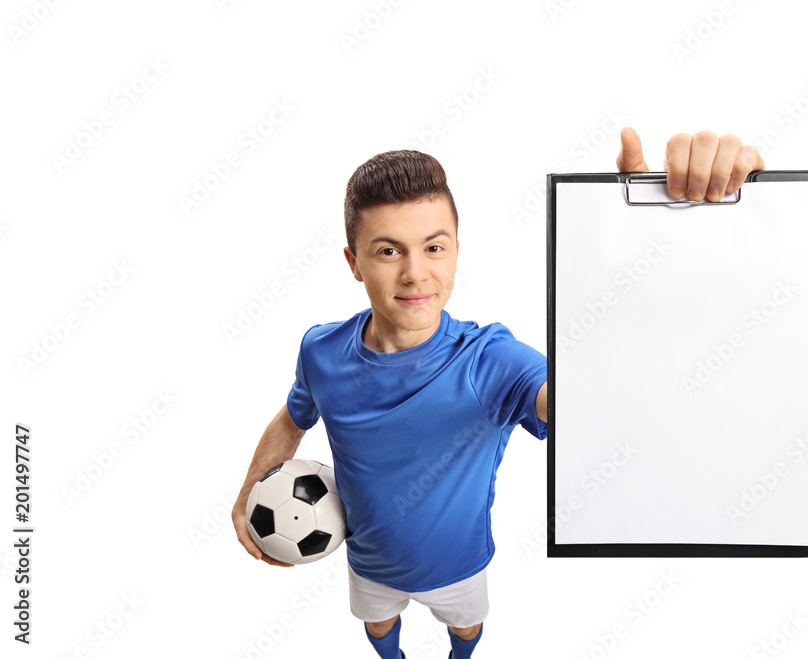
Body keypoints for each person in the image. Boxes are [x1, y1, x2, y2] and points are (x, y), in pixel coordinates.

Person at [231, 128, 765, 659]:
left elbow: (585, 405)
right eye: (389, 250)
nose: (416, 273)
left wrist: (651, 254)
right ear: (354, 263)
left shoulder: (491, 360)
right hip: (367, 562)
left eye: (433, 247)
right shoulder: (320, 350)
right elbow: (292, 418)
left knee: (465, 630)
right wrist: (251, 489)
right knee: (377, 625)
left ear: (456, 252)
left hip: (460, 567)